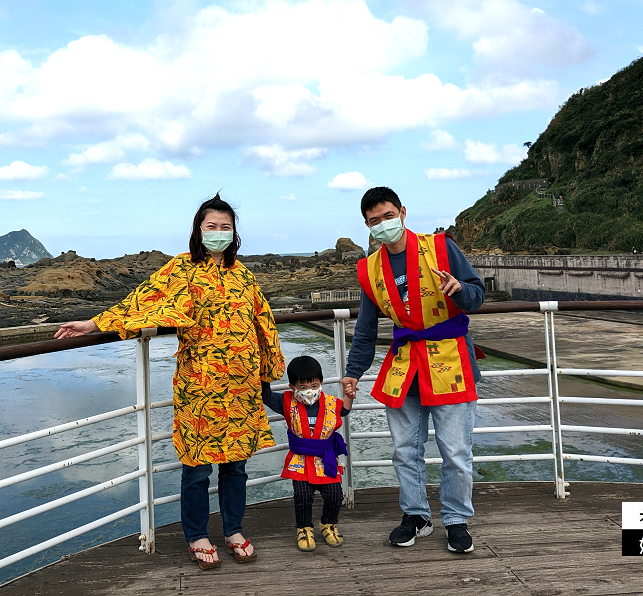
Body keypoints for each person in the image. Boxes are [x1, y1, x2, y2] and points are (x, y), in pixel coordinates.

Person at [53, 193, 284, 570]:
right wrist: (95, 323)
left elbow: (264, 322)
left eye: (225, 227)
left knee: (236, 464)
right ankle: (196, 534)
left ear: (234, 232)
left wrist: (268, 372)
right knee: (198, 465)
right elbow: (143, 299)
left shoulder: (244, 274)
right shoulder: (182, 269)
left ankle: (234, 530)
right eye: (211, 226)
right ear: (198, 230)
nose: (218, 233)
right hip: (201, 384)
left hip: (242, 385)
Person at [340, 186, 485, 555]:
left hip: (450, 357)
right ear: (367, 226)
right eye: (375, 221)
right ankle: (416, 515)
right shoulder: (370, 270)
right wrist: (353, 372)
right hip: (405, 364)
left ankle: (456, 519)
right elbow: (366, 329)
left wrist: (459, 291)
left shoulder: (440, 247)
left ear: (402, 213)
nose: (383, 225)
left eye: (388, 216)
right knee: (405, 450)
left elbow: (477, 294)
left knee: (455, 450)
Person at [261, 356, 354, 552]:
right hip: (300, 460)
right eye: (303, 387)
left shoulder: (330, 402)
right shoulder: (286, 401)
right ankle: (303, 528)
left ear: (321, 382)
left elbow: (343, 411)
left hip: (325, 458)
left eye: (314, 384)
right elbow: (266, 396)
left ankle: (329, 524)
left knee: (334, 495)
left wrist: (349, 395)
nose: (309, 390)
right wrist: (265, 373)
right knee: (302, 495)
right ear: (292, 386)